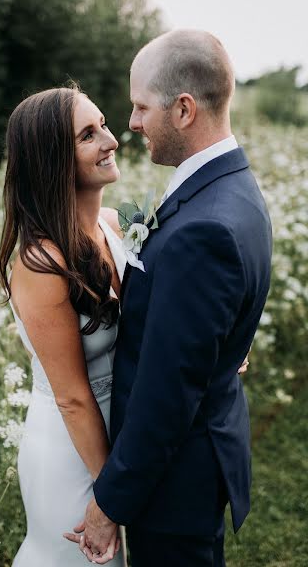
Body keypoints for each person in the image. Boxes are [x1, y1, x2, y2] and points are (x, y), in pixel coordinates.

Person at [68, 30, 272, 567]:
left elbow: (167, 394)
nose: (131, 123)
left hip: (175, 480)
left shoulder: (204, 228)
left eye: (140, 107)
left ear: (183, 109)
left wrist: (109, 503)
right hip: (200, 455)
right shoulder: (231, 189)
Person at [0, 86, 128, 566]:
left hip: (121, 437)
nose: (110, 140)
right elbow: (73, 398)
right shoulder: (40, 264)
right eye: (88, 135)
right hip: (71, 449)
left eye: (105, 124)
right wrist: (114, 494)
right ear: (54, 160)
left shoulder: (115, 226)